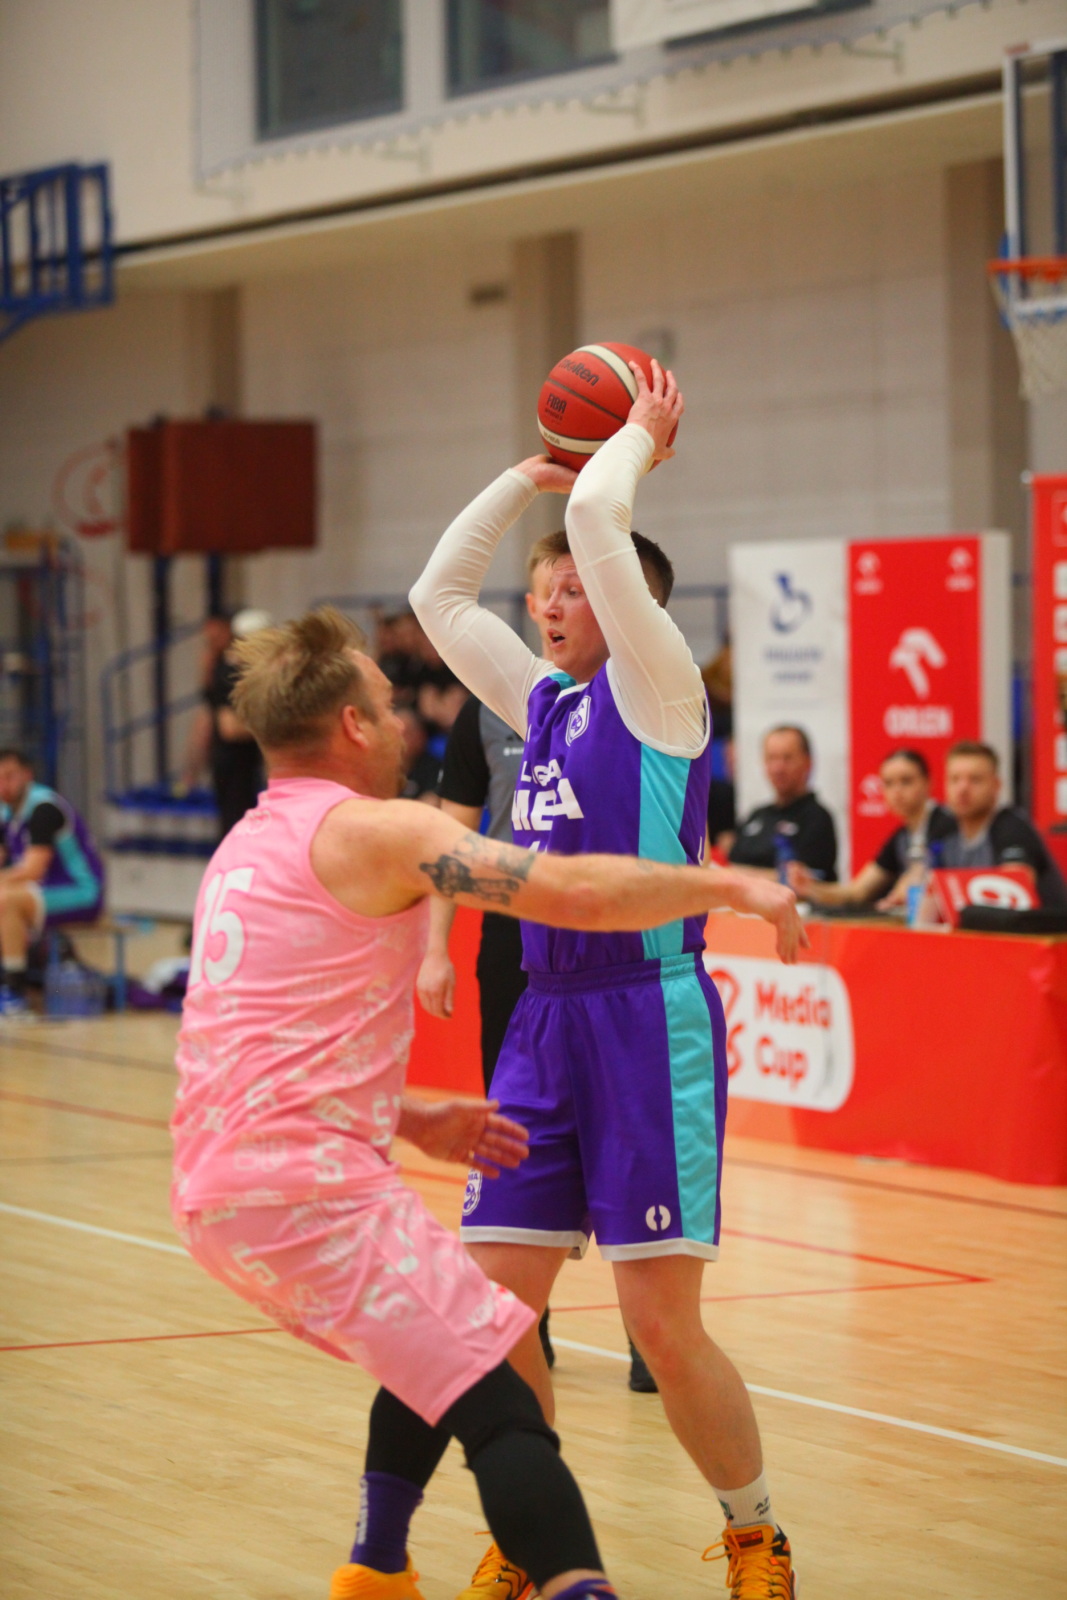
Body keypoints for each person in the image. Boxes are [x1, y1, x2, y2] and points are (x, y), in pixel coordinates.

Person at [171, 607, 804, 1600]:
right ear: (350, 725)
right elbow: (577, 894)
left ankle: (380, 1565)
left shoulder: (240, 850)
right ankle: (551, 1573)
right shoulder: (385, 829)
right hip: (313, 1188)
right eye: (385, 707)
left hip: (214, 1199)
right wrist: (725, 887)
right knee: (494, 1397)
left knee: (451, 1333)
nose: (404, 724)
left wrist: (405, 1115)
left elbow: (243, 1048)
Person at [411, 361, 806, 1600]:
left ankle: (755, 1536)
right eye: (542, 589)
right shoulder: (540, 703)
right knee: (493, 1315)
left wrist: (632, 440)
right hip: (541, 1019)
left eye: (576, 584)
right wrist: (520, 475)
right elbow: (435, 595)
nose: (551, 599)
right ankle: (533, 1532)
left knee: (659, 1328)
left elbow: (595, 515)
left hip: (646, 1016)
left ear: (634, 600)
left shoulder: (660, 692)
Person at [0, 749, 104, 1018]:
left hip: (82, 893)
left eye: (10, 776)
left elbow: (32, 870)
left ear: (27, 776)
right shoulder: (6, 813)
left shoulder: (43, 808)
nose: (3, 785)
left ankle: (15, 993)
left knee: (6, 900)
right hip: (42, 893)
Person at [788, 748, 955, 909]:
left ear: (927, 782)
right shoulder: (900, 837)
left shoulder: (947, 826)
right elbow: (857, 892)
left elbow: (918, 879)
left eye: (906, 781)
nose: (897, 791)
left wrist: (899, 894)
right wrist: (811, 887)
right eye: (888, 783)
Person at [941, 741, 1067, 906]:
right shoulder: (946, 832)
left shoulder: (1012, 827)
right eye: (954, 779)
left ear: (996, 786)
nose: (963, 788)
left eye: (975, 780)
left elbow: (1014, 892)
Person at [729, 726, 837, 882]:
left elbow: (803, 881)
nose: (778, 768)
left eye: (787, 758)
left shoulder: (817, 818)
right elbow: (728, 864)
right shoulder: (756, 816)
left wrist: (736, 875)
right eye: (772, 758)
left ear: (807, 762)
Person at [205, 607, 272, 839]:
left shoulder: (247, 672)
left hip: (246, 763)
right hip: (232, 765)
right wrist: (280, 727)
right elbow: (230, 729)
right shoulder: (229, 673)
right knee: (236, 827)